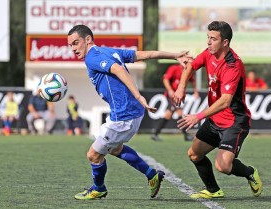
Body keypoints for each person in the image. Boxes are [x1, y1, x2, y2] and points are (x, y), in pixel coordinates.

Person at [67, 24, 191, 200]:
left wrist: (140, 97)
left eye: (75, 43)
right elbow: (145, 55)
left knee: (93, 155)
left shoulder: (92, 57)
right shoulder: (109, 51)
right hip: (131, 112)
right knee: (115, 149)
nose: (73, 48)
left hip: (124, 115)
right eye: (70, 45)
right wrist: (175, 55)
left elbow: (117, 69)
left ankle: (98, 188)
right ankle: (151, 175)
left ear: (88, 39)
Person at [173, 21, 263, 199]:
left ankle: (250, 172)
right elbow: (190, 65)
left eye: (213, 39)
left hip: (234, 122)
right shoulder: (208, 53)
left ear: (225, 42)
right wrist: (181, 87)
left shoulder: (233, 65)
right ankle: (213, 191)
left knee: (223, 166)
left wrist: (198, 116)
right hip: (215, 120)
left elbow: (225, 101)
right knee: (194, 154)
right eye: (208, 38)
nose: (208, 42)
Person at [151, 64, 199, 141]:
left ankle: (155, 133)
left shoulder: (188, 70)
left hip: (178, 96)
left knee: (168, 114)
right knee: (179, 113)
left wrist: (195, 91)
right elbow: (165, 79)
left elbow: (193, 81)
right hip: (172, 95)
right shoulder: (174, 68)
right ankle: (186, 135)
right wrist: (170, 90)